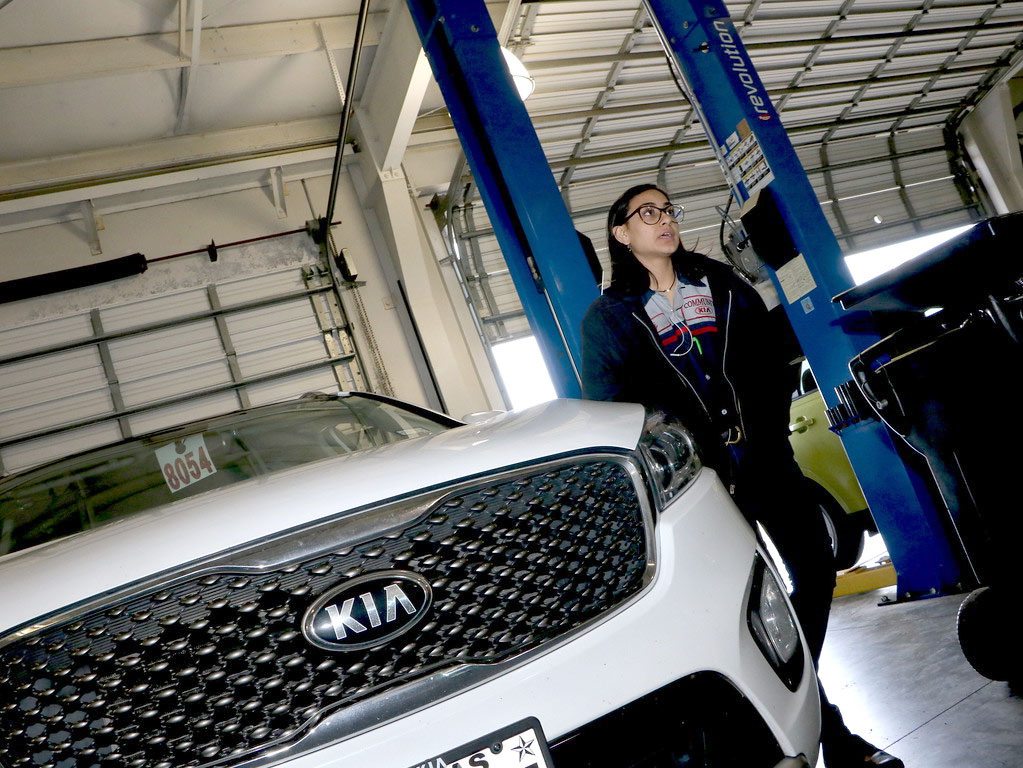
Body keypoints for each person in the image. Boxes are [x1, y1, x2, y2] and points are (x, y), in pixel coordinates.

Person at [580, 183, 903, 768]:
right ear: (621, 234)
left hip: (766, 459)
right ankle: (837, 740)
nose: (664, 221)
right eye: (647, 214)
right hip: (701, 483)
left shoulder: (722, 284)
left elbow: (769, 360)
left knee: (814, 572)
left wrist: (770, 427)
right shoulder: (610, 319)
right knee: (753, 606)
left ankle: (803, 713)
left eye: (668, 210)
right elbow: (614, 408)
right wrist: (678, 464)